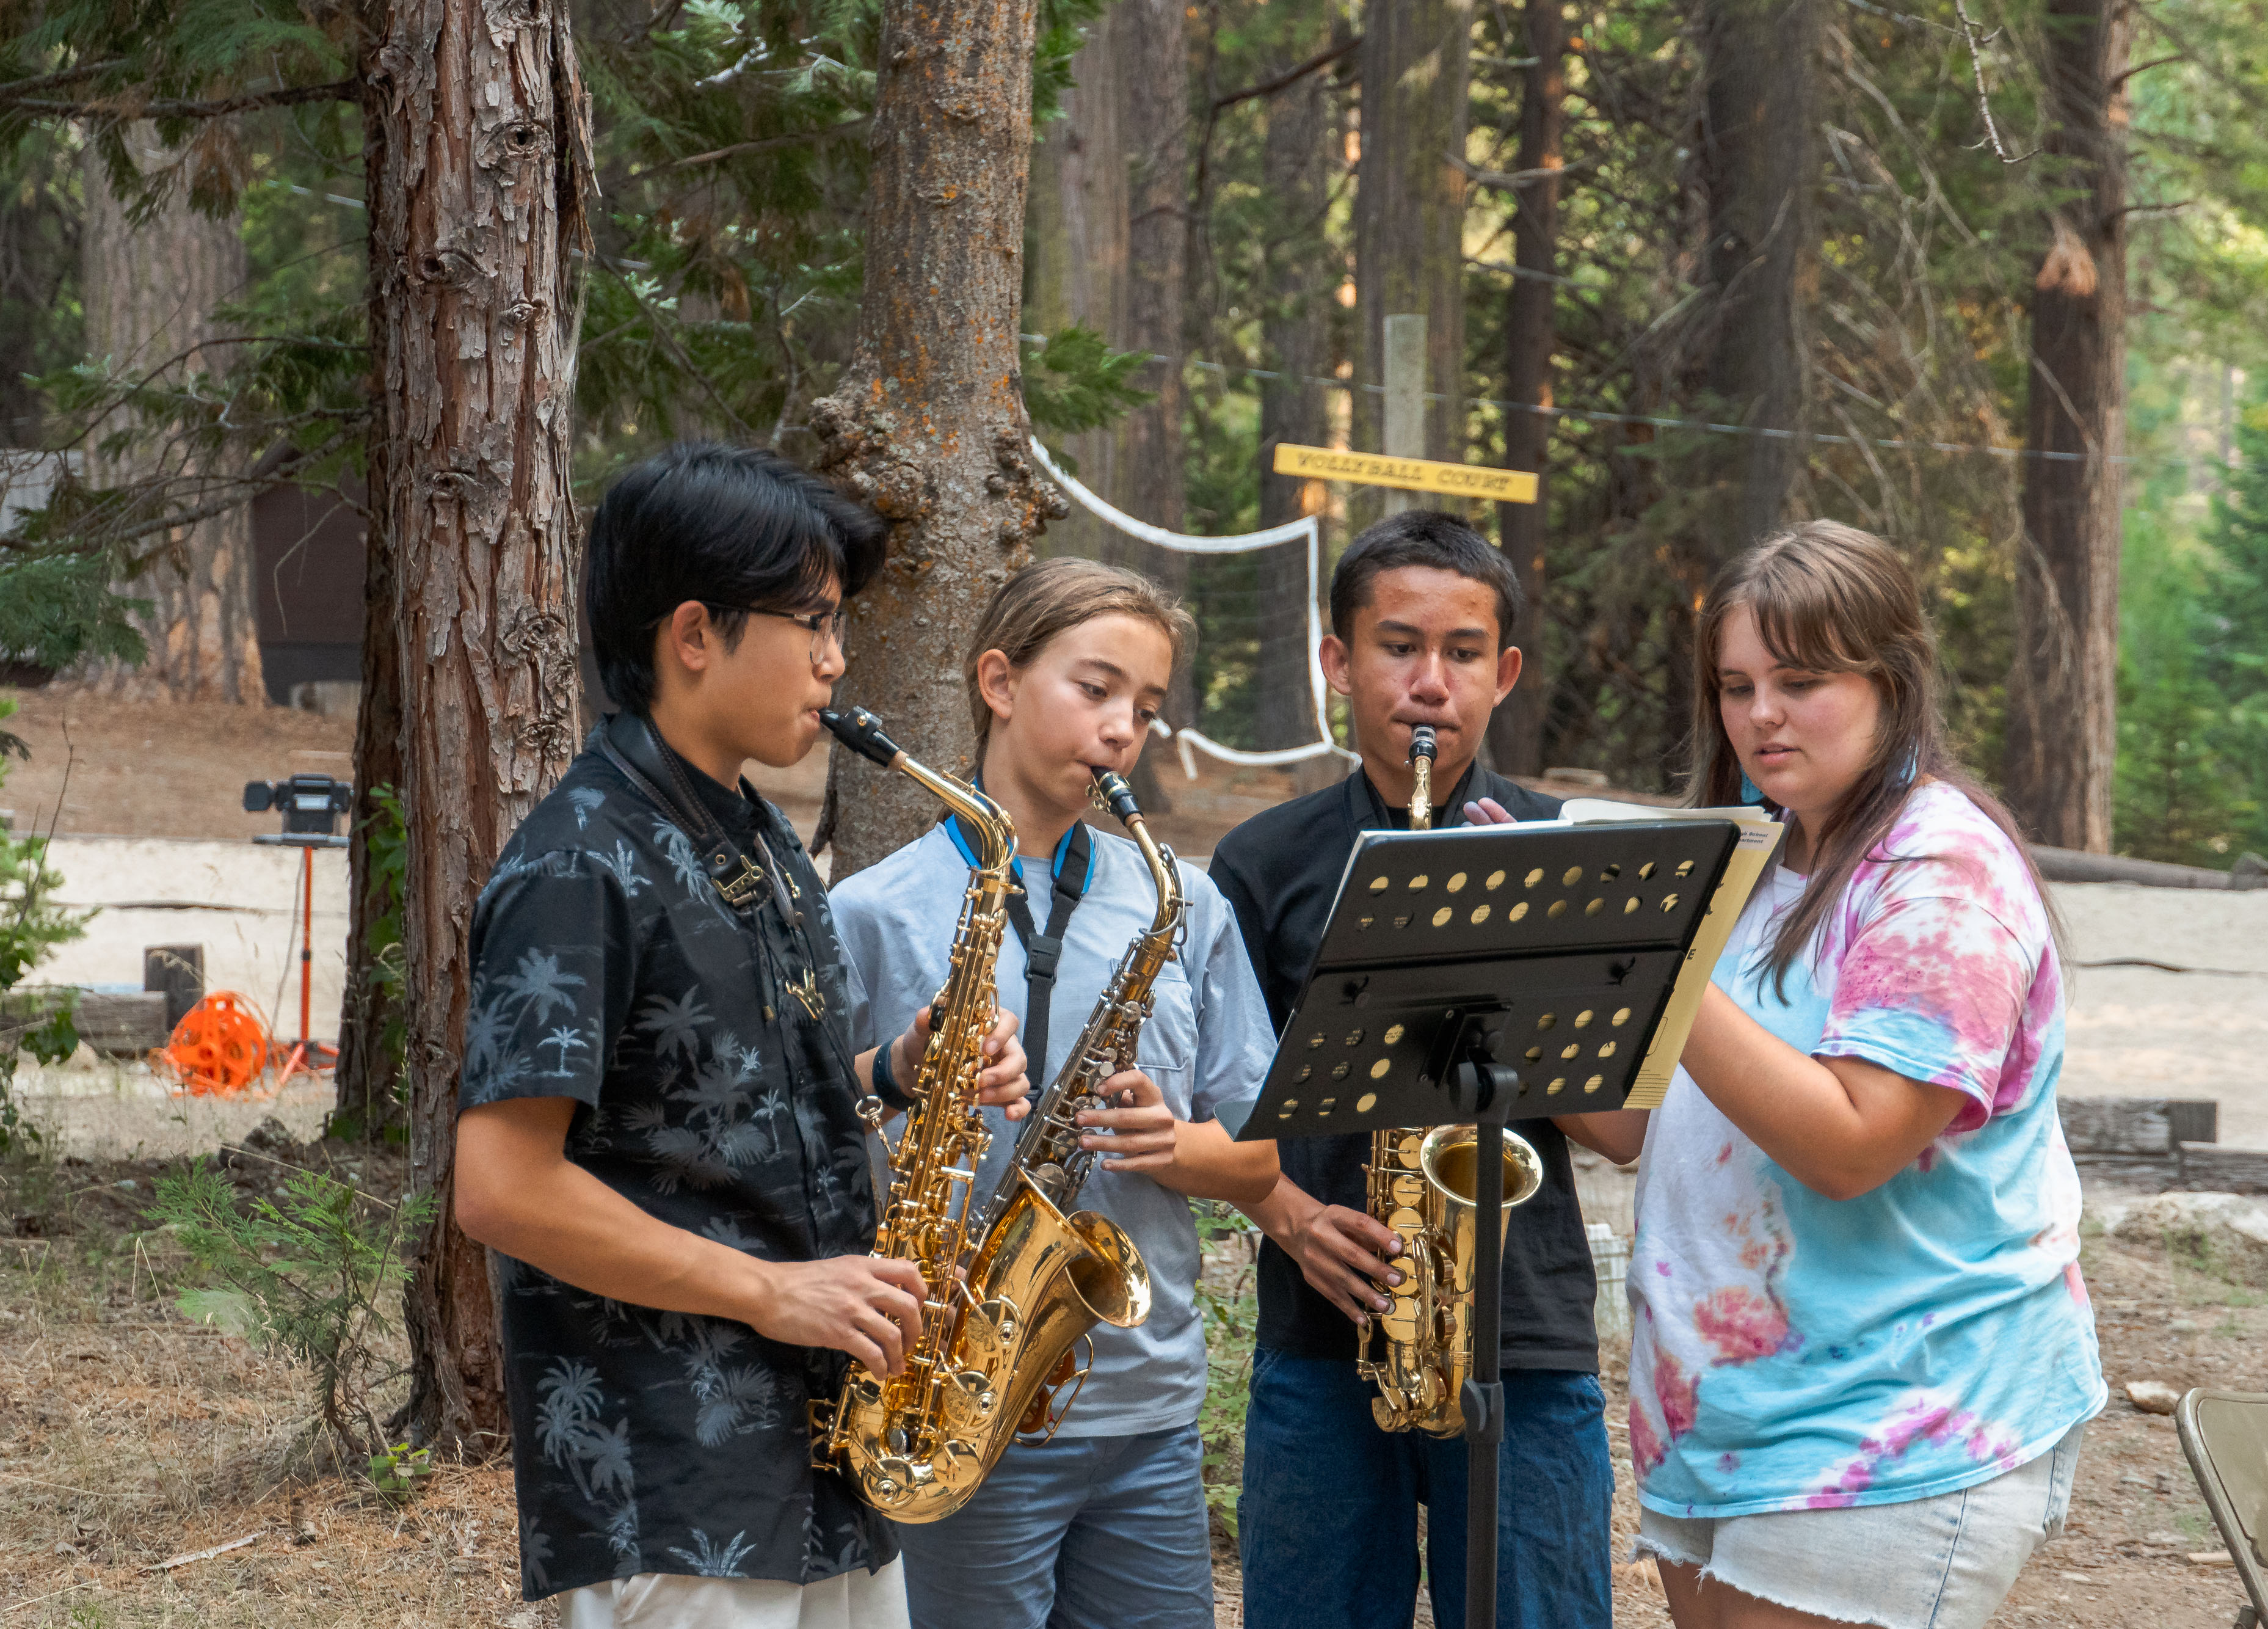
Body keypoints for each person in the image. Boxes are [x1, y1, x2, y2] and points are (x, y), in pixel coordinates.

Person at [452, 443, 1032, 1629]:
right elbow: (501, 1187)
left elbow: (711, 1114)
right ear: (693, 635)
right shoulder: (578, 861)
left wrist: (897, 1070)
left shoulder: (757, 834)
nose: (836, 658)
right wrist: (772, 1291)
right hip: (678, 1477)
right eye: (812, 621)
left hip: (825, 1450)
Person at [1620, 520, 2106, 1629]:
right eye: (1736, 686)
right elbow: (1624, 1125)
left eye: (1800, 681)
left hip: (1895, 1426)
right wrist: (1532, 960)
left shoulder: (1942, 871)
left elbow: (1852, 1145)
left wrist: (1653, 955)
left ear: (1892, 681)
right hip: (1723, 1427)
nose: (1762, 714)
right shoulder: (1753, 850)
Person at [831, 556, 1282, 1629]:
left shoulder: (1183, 904)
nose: (1123, 729)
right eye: (1096, 689)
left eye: (1147, 709)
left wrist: (1181, 1147)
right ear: (999, 681)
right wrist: (904, 1073)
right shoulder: (871, 910)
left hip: (1146, 1411)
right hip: (948, 1396)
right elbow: (806, 1135)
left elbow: (1261, 1155)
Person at [1212, 511, 1632, 1629]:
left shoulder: (1563, 844)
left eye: (1462, 653)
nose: (1430, 684)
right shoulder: (1262, 862)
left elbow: (1626, 1131)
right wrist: (1295, 1219)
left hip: (1522, 1336)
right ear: (1338, 662)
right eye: (1398, 647)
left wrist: (1521, 962)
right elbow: (1217, 1107)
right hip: (1322, 1330)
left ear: (1505, 675)